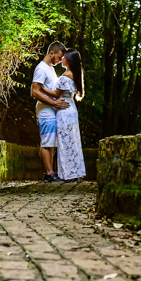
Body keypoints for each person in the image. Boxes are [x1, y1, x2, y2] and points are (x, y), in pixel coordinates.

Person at [30, 42, 69, 182]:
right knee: (47, 142)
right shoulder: (41, 69)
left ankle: (51, 173)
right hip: (45, 111)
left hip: (51, 110)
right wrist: (53, 103)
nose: (60, 60)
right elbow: (34, 92)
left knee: (52, 143)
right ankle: (48, 173)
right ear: (51, 53)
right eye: (59, 57)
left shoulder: (50, 68)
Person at [50, 48, 86, 182]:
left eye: (64, 57)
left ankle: (68, 174)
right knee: (73, 141)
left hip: (64, 111)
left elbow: (55, 94)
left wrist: (40, 89)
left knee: (65, 142)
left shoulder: (66, 76)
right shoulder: (75, 73)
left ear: (69, 60)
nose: (61, 59)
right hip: (71, 108)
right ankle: (75, 172)